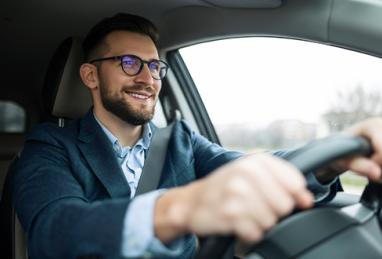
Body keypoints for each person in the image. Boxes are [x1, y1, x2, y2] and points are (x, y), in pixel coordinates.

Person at [12, 13, 382, 259]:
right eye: (129, 63)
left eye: (156, 66)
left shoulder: (181, 142)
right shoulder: (51, 146)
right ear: (91, 76)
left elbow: (252, 169)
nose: (148, 79)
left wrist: (330, 158)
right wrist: (178, 209)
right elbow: (53, 230)